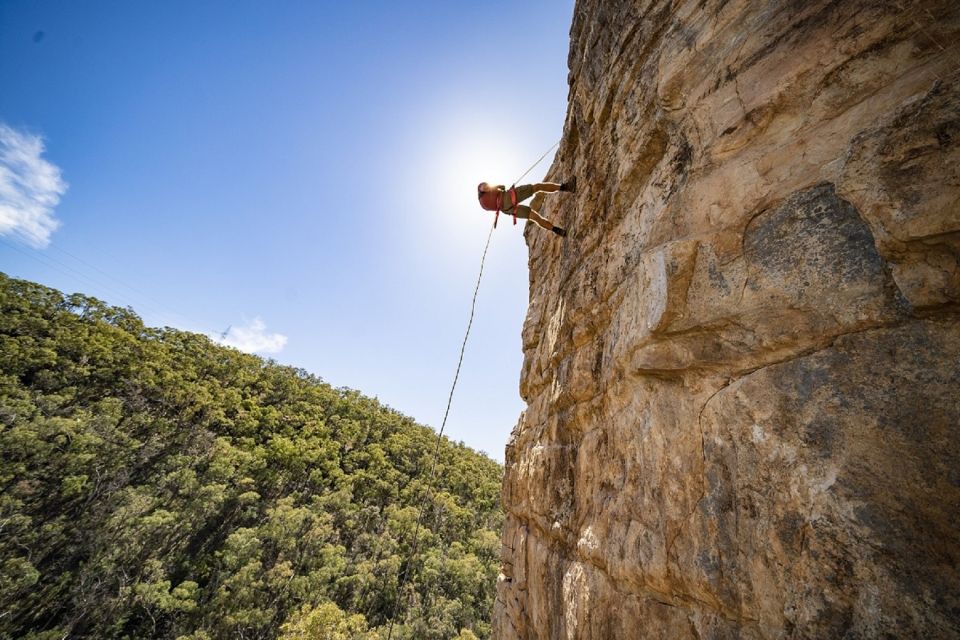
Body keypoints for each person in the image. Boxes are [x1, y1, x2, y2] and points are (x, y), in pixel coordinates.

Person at [477, 178, 576, 237]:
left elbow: (494, 202)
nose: (485, 186)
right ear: (480, 189)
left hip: (508, 210)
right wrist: (496, 187)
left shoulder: (483, 204)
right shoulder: (485, 193)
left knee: (535, 218)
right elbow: (502, 187)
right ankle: (565, 187)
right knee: (537, 187)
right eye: (483, 186)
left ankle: (557, 231)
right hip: (509, 197)